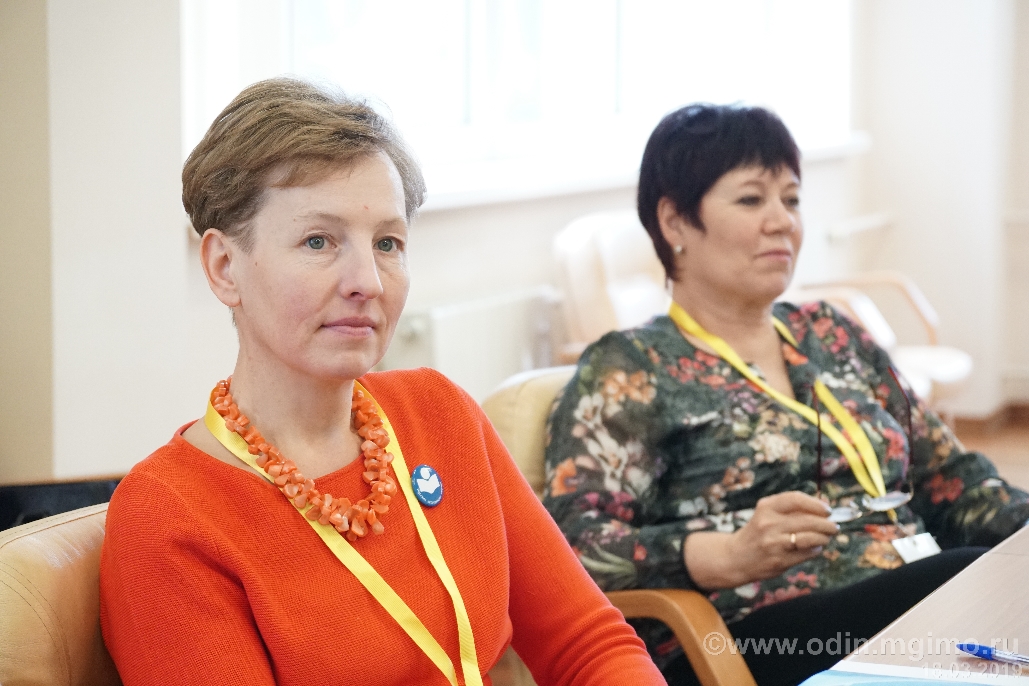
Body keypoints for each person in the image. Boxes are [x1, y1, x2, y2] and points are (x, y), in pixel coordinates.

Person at [99, 77, 664, 685]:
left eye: (388, 243)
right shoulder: (170, 515)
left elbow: (590, 645)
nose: (367, 281)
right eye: (319, 241)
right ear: (223, 267)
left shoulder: (438, 413)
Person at [542, 103, 1029, 686]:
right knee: (965, 582)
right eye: (752, 200)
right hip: (746, 634)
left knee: (993, 587)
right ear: (675, 222)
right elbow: (570, 550)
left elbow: (951, 477)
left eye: (792, 200)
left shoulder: (832, 333)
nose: (782, 222)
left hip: (904, 595)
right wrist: (724, 553)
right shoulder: (629, 367)